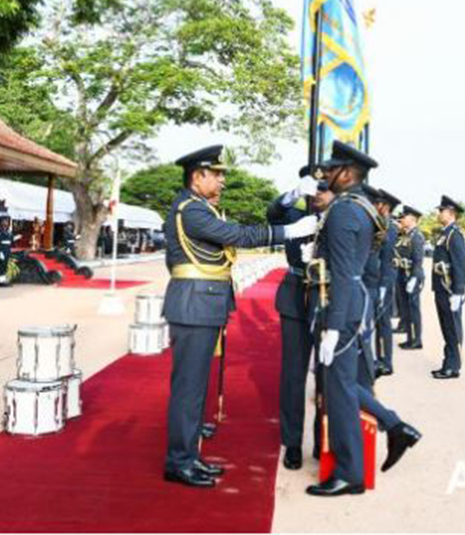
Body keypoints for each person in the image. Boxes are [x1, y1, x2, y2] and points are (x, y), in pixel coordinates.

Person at [162, 144, 317, 488]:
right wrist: (289, 232)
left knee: (195, 387)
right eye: (216, 175)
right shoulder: (192, 210)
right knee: (188, 388)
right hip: (195, 304)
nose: (222, 182)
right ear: (197, 176)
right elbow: (238, 235)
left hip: (204, 303)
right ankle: (179, 461)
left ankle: (189, 454)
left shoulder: (200, 207)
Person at [305, 141, 420, 497]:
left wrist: (334, 327)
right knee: (340, 383)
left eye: (332, 169)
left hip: (341, 304)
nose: (325, 174)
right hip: (353, 301)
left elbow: (341, 272)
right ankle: (395, 425)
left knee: (337, 389)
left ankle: (349, 472)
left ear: (348, 173)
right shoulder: (362, 208)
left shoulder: (344, 211)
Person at [267, 166, 334, 471]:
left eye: (323, 186)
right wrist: (293, 194)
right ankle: (292, 443)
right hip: (295, 295)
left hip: (325, 297)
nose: (317, 193)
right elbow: (272, 213)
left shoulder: (338, 217)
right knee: (293, 376)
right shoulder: (295, 216)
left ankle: (323, 440)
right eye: (312, 187)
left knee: (325, 374)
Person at [431, 195, 465, 379]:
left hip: (450, 289)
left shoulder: (455, 234)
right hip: (441, 288)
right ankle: (448, 362)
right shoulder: (445, 233)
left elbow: (460, 264)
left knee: (453, 329)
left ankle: (453, 366)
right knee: (446, 328)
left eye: (442, 210)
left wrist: (458, 292)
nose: (439, 213)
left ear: (451, 213)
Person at [372, 188, 400, 377]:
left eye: (378, 203)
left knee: (383, 322)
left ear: (385, 207)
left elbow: (387, 258)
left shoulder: (389, 227)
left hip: (384, 280)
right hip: (378, 279)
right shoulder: (381, 224)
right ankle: (380, 358)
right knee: (378, 322)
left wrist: (382, 286)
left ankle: (386, 362)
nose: (375, 206)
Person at [397, 205, 426, 351]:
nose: (402, 218)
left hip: (412, 276)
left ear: (413, 219)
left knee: (413, 309)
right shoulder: (406, 235)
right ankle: (410, 337)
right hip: (403, 274)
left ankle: (416, 340)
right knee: (406, 309)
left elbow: (418, 260)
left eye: (405, 216)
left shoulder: (416, 236)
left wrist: (414, 278)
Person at [0, 217, 19, 287]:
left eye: (6, 222)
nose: (5, 224)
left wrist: (17, 237)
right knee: (1, 265)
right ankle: (0, 280)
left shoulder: (8, 232)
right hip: (2, 249)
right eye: (4, 222)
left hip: (7, 249)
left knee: (5, 264)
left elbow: (11, 240)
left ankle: (3, 279)